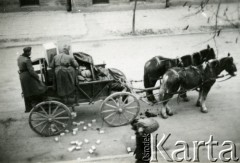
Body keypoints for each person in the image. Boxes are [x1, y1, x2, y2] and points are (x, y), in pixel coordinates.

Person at [17, 47, 47, 113]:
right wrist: (37, 77)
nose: (30, 53)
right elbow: (31, 71)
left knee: (26, 91)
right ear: (28, 52)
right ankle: (39, 105)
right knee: (40, 87)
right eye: (30, 52)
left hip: (22, 76)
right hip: (28, 76)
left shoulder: (19, 58)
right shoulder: (27, 60)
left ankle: (28, 107)